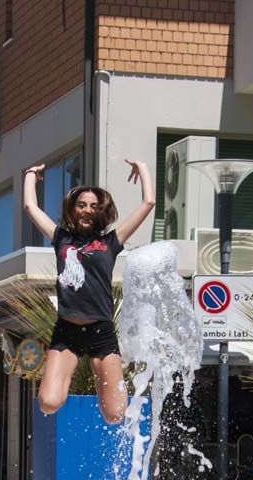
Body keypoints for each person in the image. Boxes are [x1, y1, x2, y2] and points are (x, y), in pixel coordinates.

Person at [22, 160, 156, 422]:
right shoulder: (61, 238)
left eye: (94, 206)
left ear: (101, 212)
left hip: (101, 332)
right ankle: (76, 373)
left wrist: (142, 169)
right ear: (73, 209)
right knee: (48, 403)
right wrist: (30, 174)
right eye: (81, 205)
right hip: (67, 331)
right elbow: (30, 207)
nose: (87, 210)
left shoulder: (110, 241)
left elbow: (148, 203)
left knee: (115, 414)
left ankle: (99, 374)